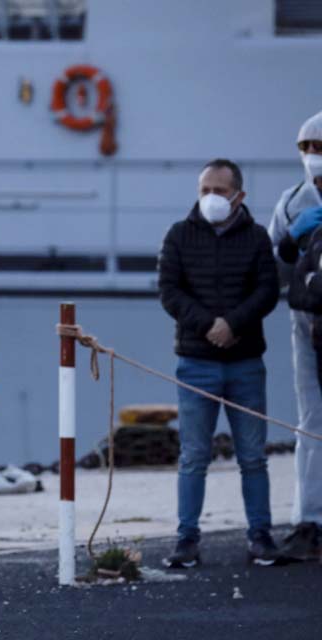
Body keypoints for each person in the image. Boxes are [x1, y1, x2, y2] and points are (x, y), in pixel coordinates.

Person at [158, 158, 280, 568]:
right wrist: (210, 325)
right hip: (196, 363)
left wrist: (233, 325)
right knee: (193, 456)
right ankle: (186, 539)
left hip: (246, 364)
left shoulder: (258, 238)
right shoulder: (178, 236)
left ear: (239, 196)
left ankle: (261, 536)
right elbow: (170, 291)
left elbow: (267, 289)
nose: (211, 198)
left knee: (253, 456)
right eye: (205, 190)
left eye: (220, 191)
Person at [268, 110, 322, 561]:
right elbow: (275, 269)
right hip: (306, 321)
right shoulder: (292, 202)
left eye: (319, 148)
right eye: (306, 148)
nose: (312, 157)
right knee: (310, 419)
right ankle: (310, 518)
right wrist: (289, 244)